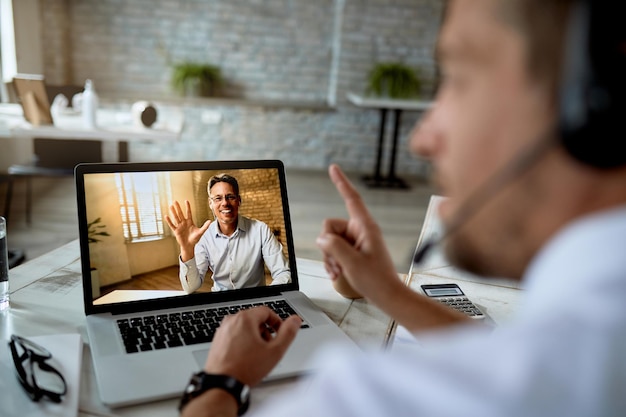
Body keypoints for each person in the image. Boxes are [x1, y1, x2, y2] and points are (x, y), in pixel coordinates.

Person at [180, 0, 626, 416]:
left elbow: (508, 372)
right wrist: (386, 289)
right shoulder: (586, 346)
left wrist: (222, 380)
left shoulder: (384, 398)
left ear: (590, 107)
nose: (421, 139)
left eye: (457, 78)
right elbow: (505, 355)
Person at [166, 173, 291, 293]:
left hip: (255, 303)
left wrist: (266, 299)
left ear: (239, 201)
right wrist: (186, 249)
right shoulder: (204, 237)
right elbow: (191, 287)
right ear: (210, 203)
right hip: (220, 303)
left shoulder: (260, 230)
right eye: (218, 198)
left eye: (230, 197)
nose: (225, 203)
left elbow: (283, 272)